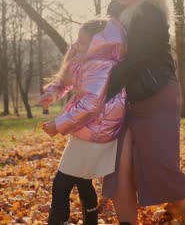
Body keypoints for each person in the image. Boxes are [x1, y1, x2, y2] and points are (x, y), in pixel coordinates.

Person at [101, 0, 185, 225]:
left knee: (164, 171)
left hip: (155, 97)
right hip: (125, 102)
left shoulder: (150, 12)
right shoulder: (115, 14)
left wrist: (104, 88)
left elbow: (138, 59)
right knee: (119, 169)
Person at [39, 18, 127, 225]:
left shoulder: (101, 65)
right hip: (88, 127)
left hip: (97, 128)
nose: (77, 44)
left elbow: (91, 105)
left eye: (83, 41)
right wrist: (51, 93)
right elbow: (66, 80)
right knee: (82, 179)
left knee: (61, 183)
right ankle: (91, 221)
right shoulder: (83, 56)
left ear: (99, 43)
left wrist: (57, 124)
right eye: (78, 38)